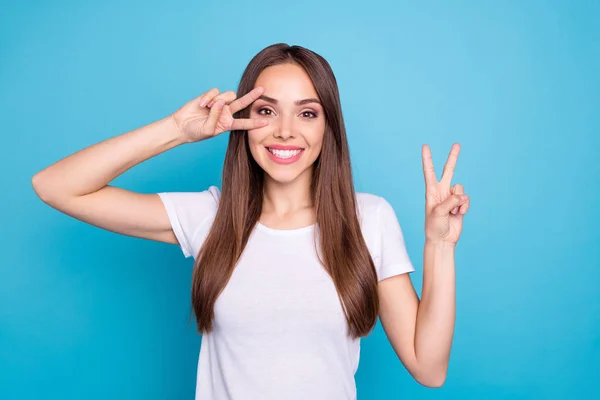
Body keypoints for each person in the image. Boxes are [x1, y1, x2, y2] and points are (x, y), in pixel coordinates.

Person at [31, 43, 470, 399]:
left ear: (328, 127)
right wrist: (177, 130)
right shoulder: (211, 216)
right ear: (243, 120)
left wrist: (440, 245)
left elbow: (428, 368)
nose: (284, 130)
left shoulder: (368, 219)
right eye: (266, 111)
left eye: (307, 112)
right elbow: (56, 187)